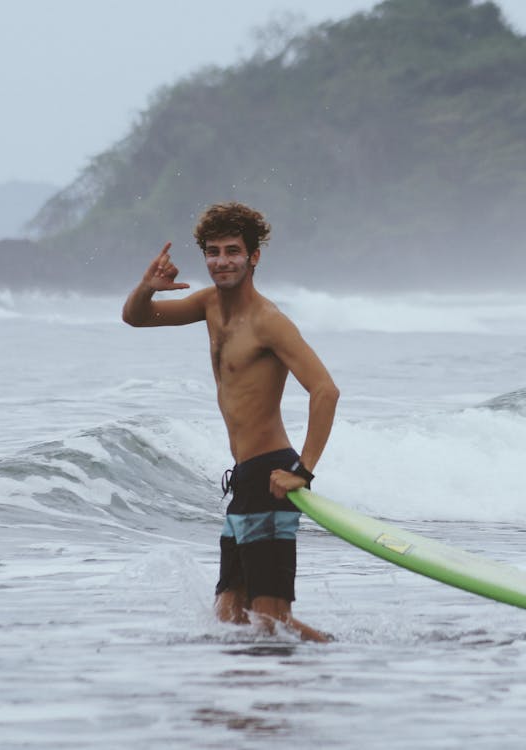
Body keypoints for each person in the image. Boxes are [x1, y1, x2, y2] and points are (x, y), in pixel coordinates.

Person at [122, 202, 339, 642]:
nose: (222, 261)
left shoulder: (269, 323)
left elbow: (325, 390)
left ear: (254, 256)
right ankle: (241, 705)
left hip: (272, 476)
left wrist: (303, 471)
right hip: (243, 481)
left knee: (270, 623)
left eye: (233, 251)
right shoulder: (209, 306)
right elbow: (136, 318)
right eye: (214, 251)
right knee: (229, 618)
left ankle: (342, 666)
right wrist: (148, 287)